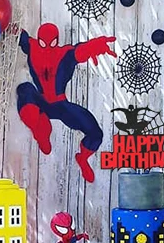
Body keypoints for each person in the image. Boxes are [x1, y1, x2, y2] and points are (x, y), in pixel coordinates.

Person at [17, 23, 116, 182]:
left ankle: (82, 158)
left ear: (57, 40)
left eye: (52, 43)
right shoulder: (32, 46)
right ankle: (41, 132)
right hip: (40, 102)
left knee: (95, 132)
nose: (47, 48)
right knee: (25, 89)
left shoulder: (64, 54)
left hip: (61, 105)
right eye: (43, 43)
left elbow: (79, 51)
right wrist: (13, 28)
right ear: (38, 40)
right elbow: (21, 36)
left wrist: (95, 46)